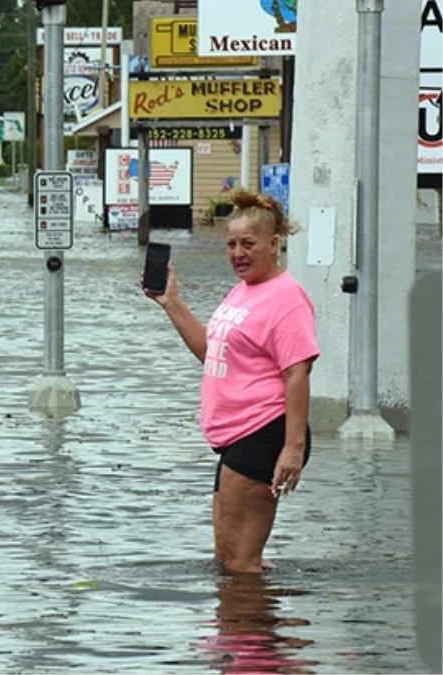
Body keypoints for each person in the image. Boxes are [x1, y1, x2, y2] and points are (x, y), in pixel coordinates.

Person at [144, 190, 319, 574]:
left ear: (274, 244)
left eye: (248, 244)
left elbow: (297, 373)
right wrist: (172, 303)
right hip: (237, 438)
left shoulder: (286, 298)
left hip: (265, 433)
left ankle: (255, 632)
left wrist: (292, 449)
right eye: (231, 244)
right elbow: (214, 354)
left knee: (240, 563)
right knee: (227, 557)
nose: (238, 253)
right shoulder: (243, 292)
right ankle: (256, 631)